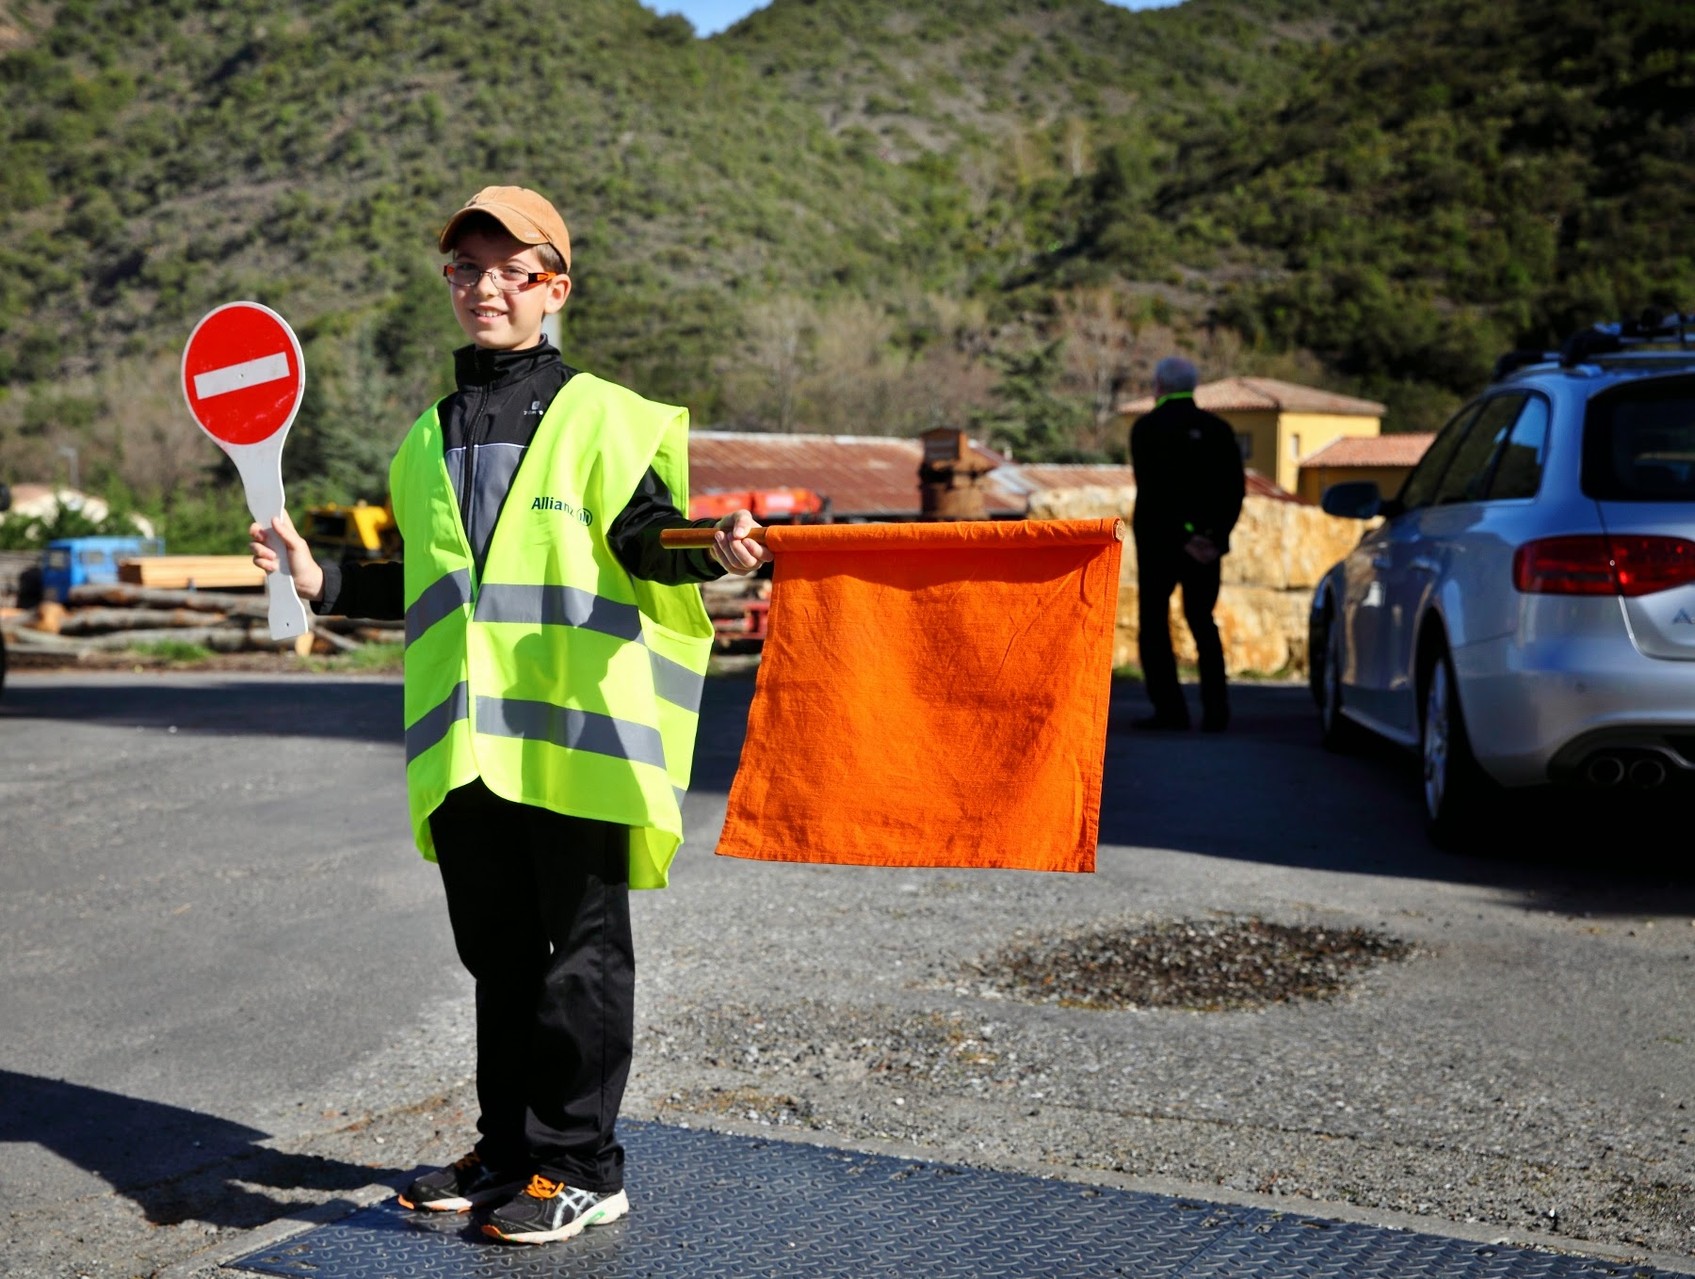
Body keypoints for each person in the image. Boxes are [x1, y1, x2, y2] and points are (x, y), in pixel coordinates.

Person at [249, 186, 771, 1246]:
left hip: (575, 731)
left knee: (581, 953)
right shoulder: (427, 436)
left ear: (553, 289)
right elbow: (432, 582)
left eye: (510, 270)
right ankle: (511, 1150)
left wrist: (709, 546)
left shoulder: (606, 415)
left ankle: (583, 1164)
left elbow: (645, 534)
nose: (486, 288)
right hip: (467, 743)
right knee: (499, 956)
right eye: (465, 270)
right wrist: (327, 577)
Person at [1128, 355, 1245, 732]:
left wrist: (1181, 534)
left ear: (1158, 386)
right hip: (1205, 547)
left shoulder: (1146, 429)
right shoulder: (1219, 430)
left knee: (1155, 624)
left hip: (1160, 542)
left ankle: (1170, 710)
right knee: (1201, 621)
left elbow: (1155, 490)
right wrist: (1212, 536)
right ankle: (1216, 710)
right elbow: (1234, 491)